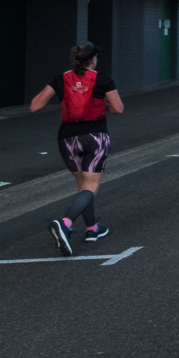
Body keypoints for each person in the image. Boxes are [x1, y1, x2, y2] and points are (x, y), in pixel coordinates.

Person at [30, 42, 124, 256]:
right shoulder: (103, 79)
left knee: (83, 185)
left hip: (67, 138)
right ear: (93, 60)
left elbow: (35, 106)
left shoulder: (60, 79)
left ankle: (92, 229)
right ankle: (65, 223)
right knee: (91, 186)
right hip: (95, 136)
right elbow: (118, 108)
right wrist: (101, 105)